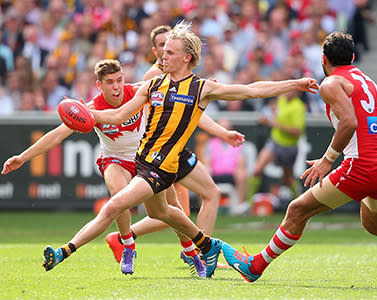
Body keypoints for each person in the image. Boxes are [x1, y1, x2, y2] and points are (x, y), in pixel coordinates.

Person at [41, 21, 318, 278]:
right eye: (164, 50)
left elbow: (251, 90)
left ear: (187, 57)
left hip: (161, 167)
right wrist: (83, 112)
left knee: (113, 205)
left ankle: (63, 252)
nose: (164, 56)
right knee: (163, 214)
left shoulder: (201, 88)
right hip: (143, 162)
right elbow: (116, 115)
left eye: (171, 52)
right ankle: (208, 246)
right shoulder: (152, 85)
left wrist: (295, 83)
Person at [221, 31, 377, 283]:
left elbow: (348, 122)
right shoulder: (366, 80)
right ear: (352, 57)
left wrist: (328, 159)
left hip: (363, 166)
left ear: (323, 59)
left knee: (296, 210)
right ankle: (255, 265)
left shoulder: (331, 83)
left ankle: (255, 266)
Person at [104, 25, 239, 271]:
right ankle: (196, 251)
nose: (167, 51)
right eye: (164, 46)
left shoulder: (185, 80)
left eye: (172, 46)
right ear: (156, 49)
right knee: (172, 211)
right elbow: (123, 112)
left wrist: (222, 131)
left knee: (203, 197)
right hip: (156, 151)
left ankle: (198, 251)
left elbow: (193, 111)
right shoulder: (154, 78)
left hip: (175, 148)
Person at [247, 87, 305, 206]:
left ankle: (300, 204)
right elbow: (272, 111)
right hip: (275, 142)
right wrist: (266, 118)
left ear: (297, 93)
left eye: (291, 90)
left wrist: (277, 124)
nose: (287, 92)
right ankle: (249, 204)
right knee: (257, 170)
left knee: (287, 179)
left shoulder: (298, 107)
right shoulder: (281, 99)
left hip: (289, 147)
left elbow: (297, 132)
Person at [202, 118, 249, 215]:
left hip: (232, 175)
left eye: (226, 128)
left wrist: (239, 170)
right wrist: (207, 170)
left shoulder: (238, 143)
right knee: (202, 173)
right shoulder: (210, 144)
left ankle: (239, 207)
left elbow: (241, 163)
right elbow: (206, 161)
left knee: (242, 174)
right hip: (215, 174)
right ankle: (203, 207)